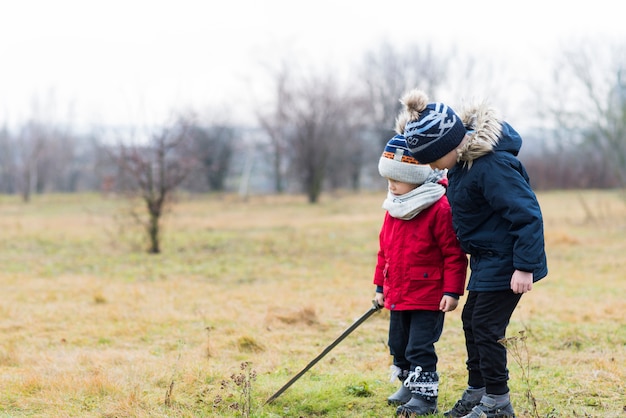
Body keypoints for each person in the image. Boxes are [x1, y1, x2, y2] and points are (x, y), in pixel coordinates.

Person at [397, 89, 548, 418]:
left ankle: (497, 402)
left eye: (433, 159)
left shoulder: (492, 166)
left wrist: (524, 267)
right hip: (486, 258)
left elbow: (527, 215)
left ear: (448, 146)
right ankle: (478, 391)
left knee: (486, 327)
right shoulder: (462, 167)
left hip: (508, 261)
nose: (432, 167)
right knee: (472, 322)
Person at [373, 134, 468, 417]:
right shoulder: (394, 208)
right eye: (388, 179)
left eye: (398, 179)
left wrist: (451, 292)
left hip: (428, 295)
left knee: (419, 347)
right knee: (398, 344)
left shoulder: (439, 208)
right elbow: (384, 252)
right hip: (398, 293)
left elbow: (454, 254)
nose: (391, 185)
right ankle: (408, 385)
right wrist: (380, 286)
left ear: (417, 176)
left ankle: (425, 397)